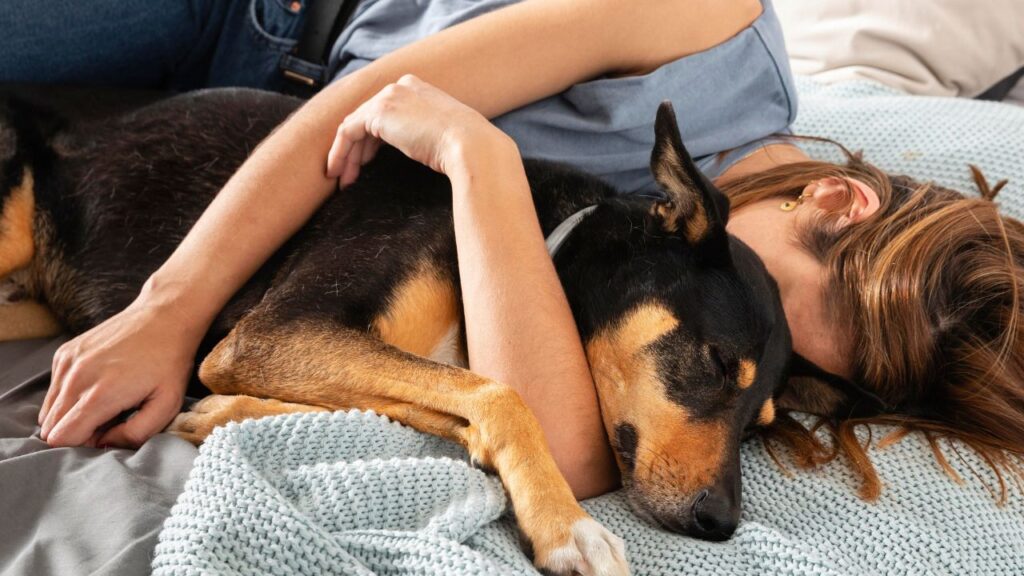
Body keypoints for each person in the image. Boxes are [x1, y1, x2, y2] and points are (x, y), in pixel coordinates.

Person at [7, 0, 1022, 499]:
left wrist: (479, 160)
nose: (755, 343)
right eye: (774, 303)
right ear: (835, 200)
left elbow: (569, 451)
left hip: (244, 118)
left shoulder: (639, 279)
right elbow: (372, 105)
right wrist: (168, 312)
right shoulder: (696, 22)